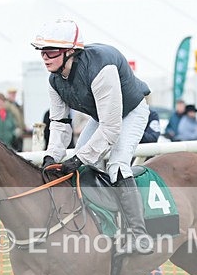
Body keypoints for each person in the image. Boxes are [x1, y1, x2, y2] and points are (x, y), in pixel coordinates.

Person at [33, 18, 153, 254]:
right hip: (102, 116)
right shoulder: (54, 80)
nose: (45, 57)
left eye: (51, 51)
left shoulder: (100, 69)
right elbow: (60, 123)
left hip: (131, 112)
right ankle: (100, 227)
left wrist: (78, 159)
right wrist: (51, 156)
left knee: (117, 165)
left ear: (70, 52)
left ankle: (140, 235)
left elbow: (111, 128)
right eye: (42, 52)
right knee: (82, 166)